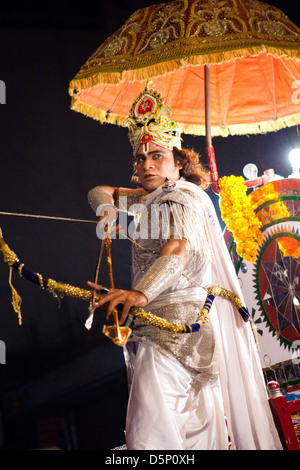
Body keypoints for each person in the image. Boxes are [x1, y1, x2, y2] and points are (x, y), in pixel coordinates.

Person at [87, 87, 282, 450]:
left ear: (179, 162)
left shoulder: (181, 197)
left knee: (149, 441)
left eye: (157, 156)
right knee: (196, 442)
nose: (146, 164)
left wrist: (139, 293)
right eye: (140, 157)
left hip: (170, 333)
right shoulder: (151, 199)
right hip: (187, 338)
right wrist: (110, 211)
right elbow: (99, 191)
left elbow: (178, 247)